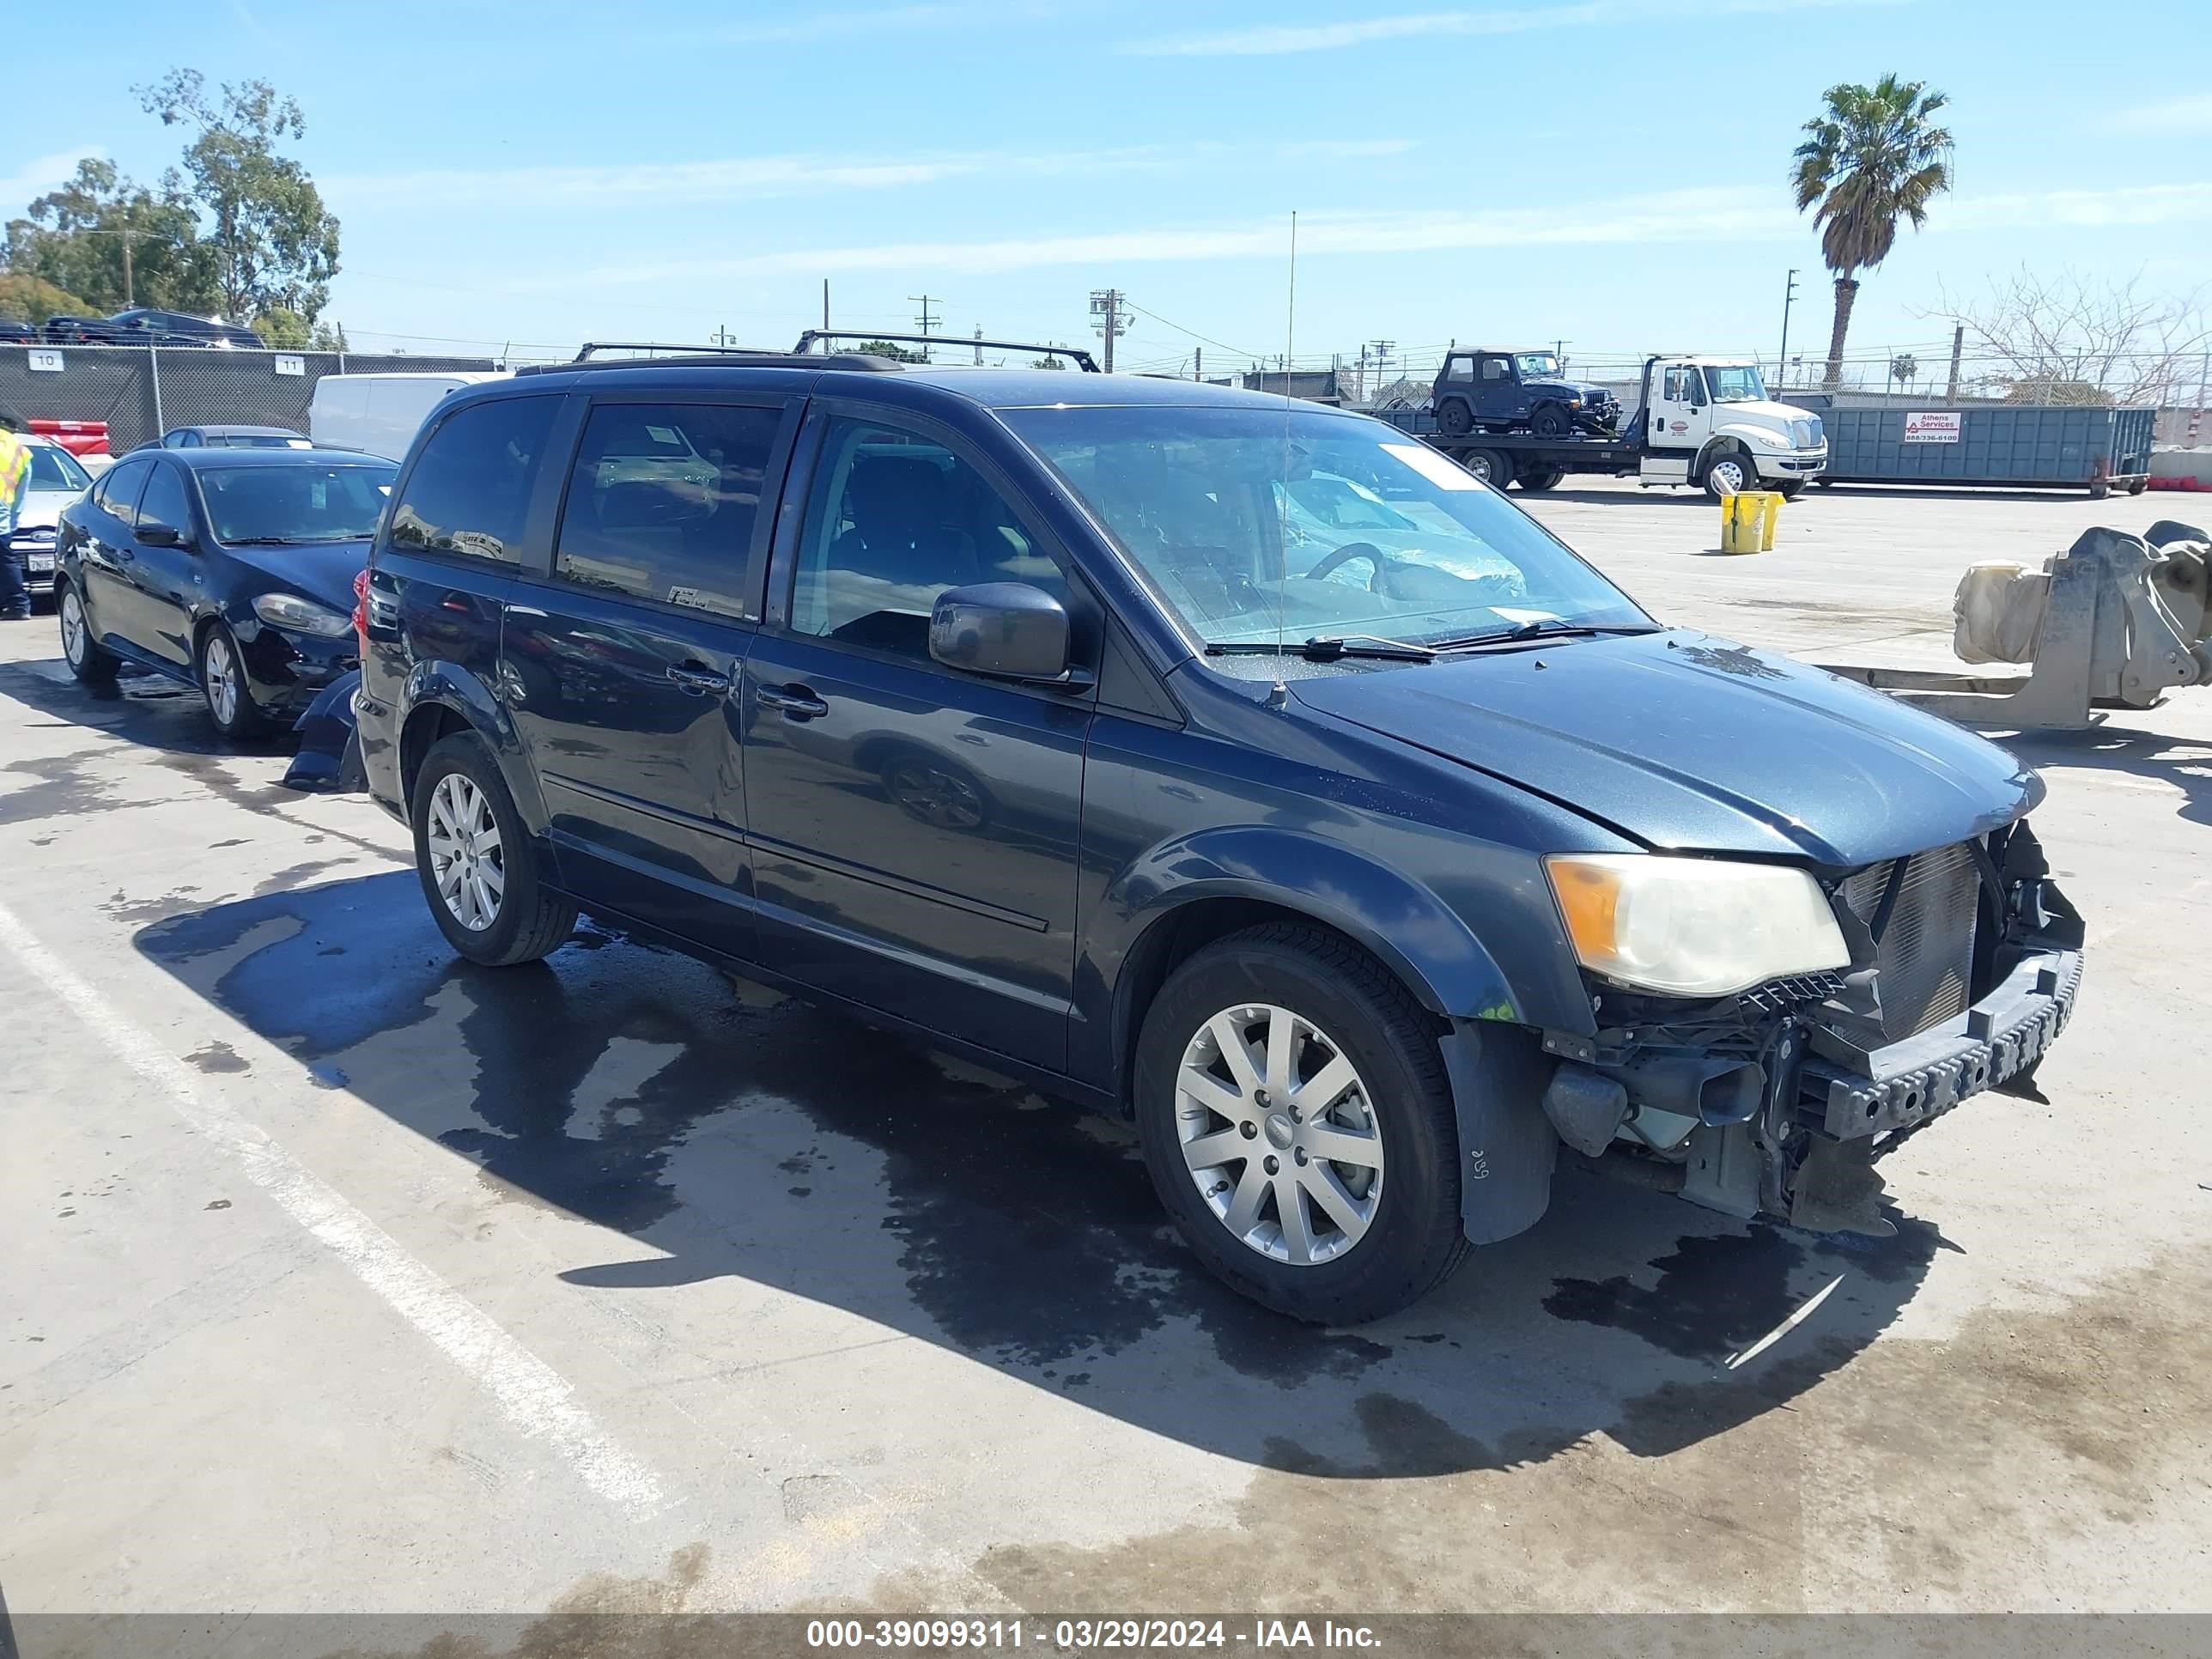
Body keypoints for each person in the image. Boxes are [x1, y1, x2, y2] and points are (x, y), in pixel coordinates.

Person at [0, 407, 34, 621]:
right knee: (5, 558)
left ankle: (17, 604)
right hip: (2, 507)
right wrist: (11, 522)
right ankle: (19, 605)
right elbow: (22, 491)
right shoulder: (21, 450)